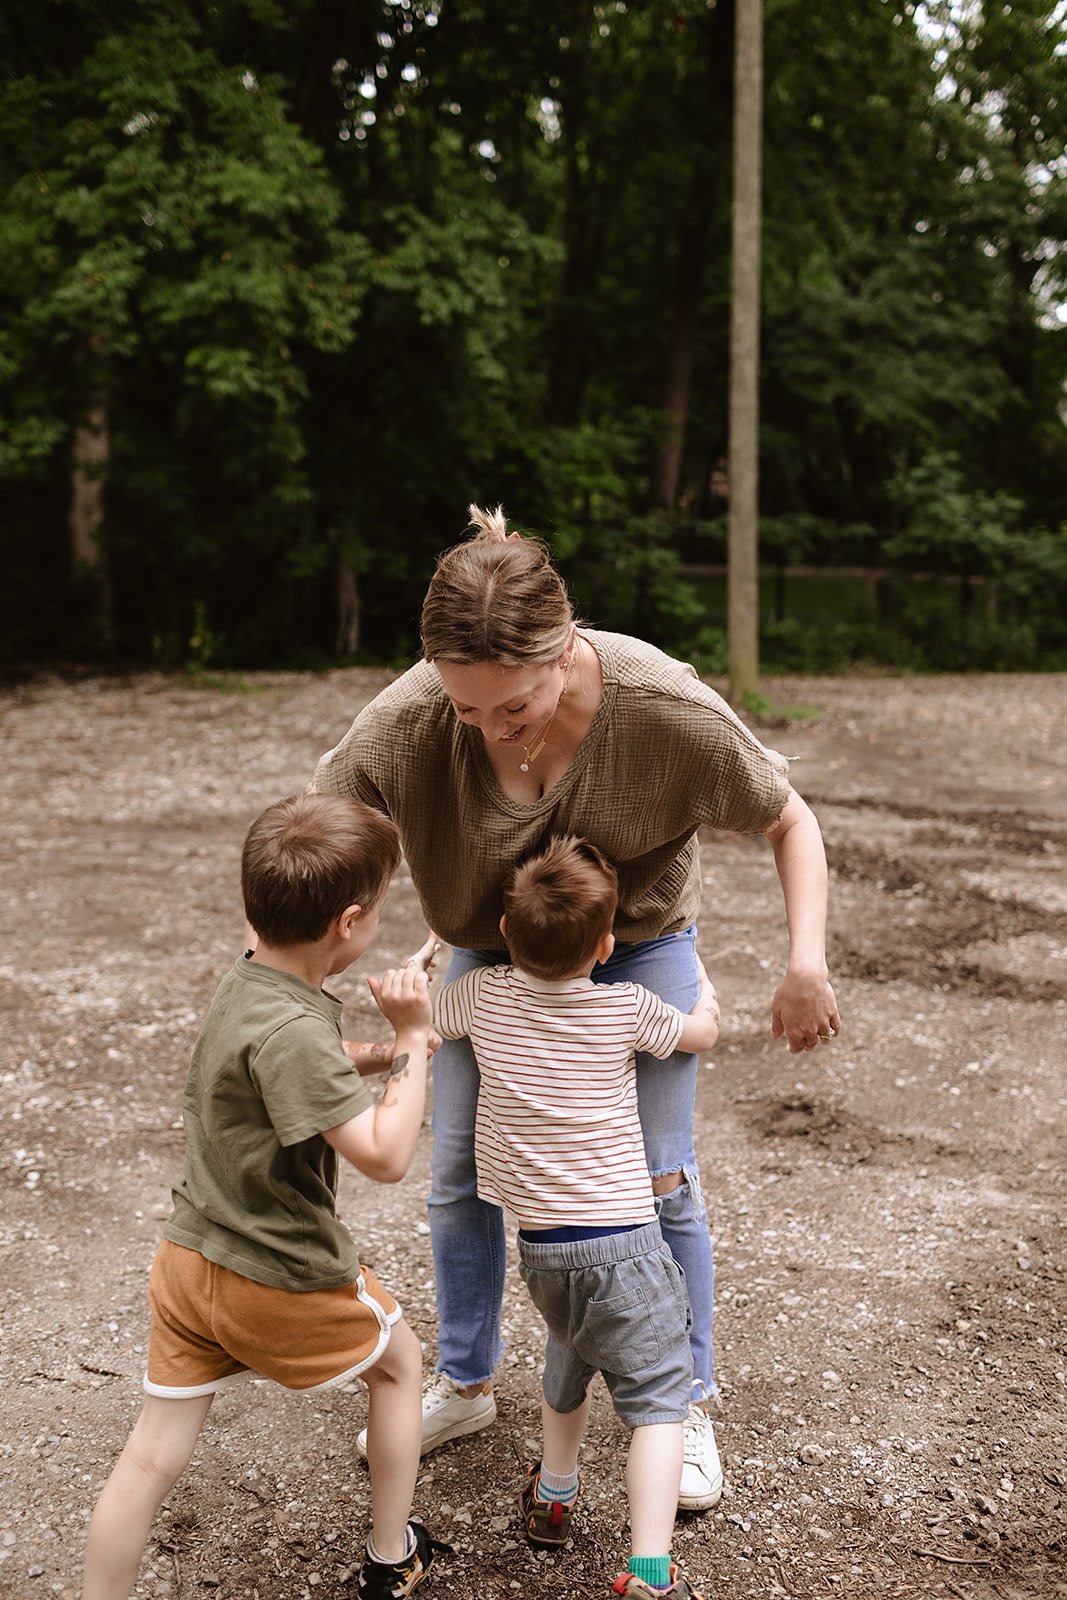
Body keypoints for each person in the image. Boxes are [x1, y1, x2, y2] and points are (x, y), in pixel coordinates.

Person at [313, 503, 841, 1510]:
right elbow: (318, 828)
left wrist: (802, 961)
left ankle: (680, 1400)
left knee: (659, 1176)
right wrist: (278, 972)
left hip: (636, 946)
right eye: (463, 709)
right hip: (485, 946)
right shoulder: (414, 714)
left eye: (509, 708)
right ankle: (466, 1380)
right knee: (461, 1168)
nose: (487, 731)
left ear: (563, 650)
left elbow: (787, 815)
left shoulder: (660, 706)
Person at [80, 793, 447, 1600]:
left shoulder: (248, 978)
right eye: (380, 908)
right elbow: (384, 1156)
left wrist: (381, 1053)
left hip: (187, 1263)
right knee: (400, 1366)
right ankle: (392, 1556)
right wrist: (417, 1039)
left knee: (149, 1453)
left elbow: (302, 1061)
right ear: (348, 923)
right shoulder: (294, 1034)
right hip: (273, 1273)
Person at [435, 834, 719, 1598]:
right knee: (658, 1400)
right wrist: (704, 991)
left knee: (569, 1360)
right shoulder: (624, 1005)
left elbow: (439, 1011)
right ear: (605, 945)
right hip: (624, 1244)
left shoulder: (485, 995)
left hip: (541, 1250)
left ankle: (554, 1499)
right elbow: (702, 1034)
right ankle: (651, 1572)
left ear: (503, 934)